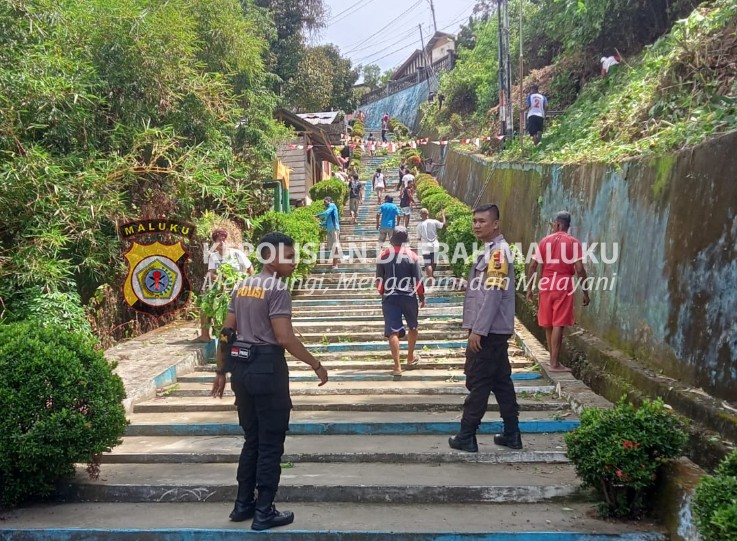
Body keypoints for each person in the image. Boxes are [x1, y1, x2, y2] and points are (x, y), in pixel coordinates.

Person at [210, 232, 329, 530]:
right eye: (287, 256)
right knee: (271, 442)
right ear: (269, 258)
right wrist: (315, 363)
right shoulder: (276, 289)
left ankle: (242, 505)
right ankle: (264, 510)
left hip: (241, 369)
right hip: (267, 368)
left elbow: (226, 333)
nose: (293, 261)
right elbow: (283, 337)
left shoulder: (242, 286)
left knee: (252, 438)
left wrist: (221, 371)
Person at [448, 204, 521, 453]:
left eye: (482, 221)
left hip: (488, 331)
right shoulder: (491, 251)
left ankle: (467, 434)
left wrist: (478, 330)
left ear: (495, 224)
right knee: (501, 382)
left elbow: (493, 294)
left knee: (478, 381)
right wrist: (467, 286)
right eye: (475, 221)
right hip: (494, 330)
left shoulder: (499, 253)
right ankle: (512, 434)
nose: (476, 225)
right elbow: (485, 288)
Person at [526, 211, 590, 372]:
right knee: (558, 323)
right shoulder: (573, 243)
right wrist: (585, 291)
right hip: (563, 284)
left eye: (553, 224)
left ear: (558, 224)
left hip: (546, 283)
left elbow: (533, 266)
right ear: (568, 226)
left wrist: (529, 288)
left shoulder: (544, 241)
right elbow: (580, 268)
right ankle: (555, 363)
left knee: (548, 323)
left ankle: (552, 360)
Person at [376, 226, 426, 376]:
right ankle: (410, 357)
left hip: (390, 297)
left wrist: (382, 293)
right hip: (409, 296)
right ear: (406, 240)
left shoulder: (383, 256)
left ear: (392, 239)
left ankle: (397, 367)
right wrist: (421, 296)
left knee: (392, 331)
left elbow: (379, 281)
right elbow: (418, 280)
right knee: (413, 326)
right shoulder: (412, 256)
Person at [198, 229, 255, 342]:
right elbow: (211, 273)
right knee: (205, 306)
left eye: (224, 240)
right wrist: (221, 280)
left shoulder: (236, 253)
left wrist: (249, 282)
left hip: (239, 286)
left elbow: (250, 268)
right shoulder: (213, 257)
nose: (223, 242)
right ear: (215, 243)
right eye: (219, 240)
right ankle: (205, 336)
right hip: (221, 287)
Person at [416, 208, 446, 285]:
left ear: (421, 215)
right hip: (435, 244)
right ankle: (432, 275)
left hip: (426, 245)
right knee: (434, 261)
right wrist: (443, 215)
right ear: (428, 214)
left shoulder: (419, 225)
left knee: (428, 263)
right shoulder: (434, 221)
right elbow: (443, 225)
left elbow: (418, 238)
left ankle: (430, 279)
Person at [315, 197, 341, 269]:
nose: (324, 203)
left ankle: (335, 264)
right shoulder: (329, 209)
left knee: (335, 246)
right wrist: (319, 224)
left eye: (325, 202)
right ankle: (334, 263)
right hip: (330, 229)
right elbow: (326, 223)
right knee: (333, 247)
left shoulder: (332, 205)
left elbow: (326, 213)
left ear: (329, 201)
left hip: (334, 228)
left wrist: (317, 216)